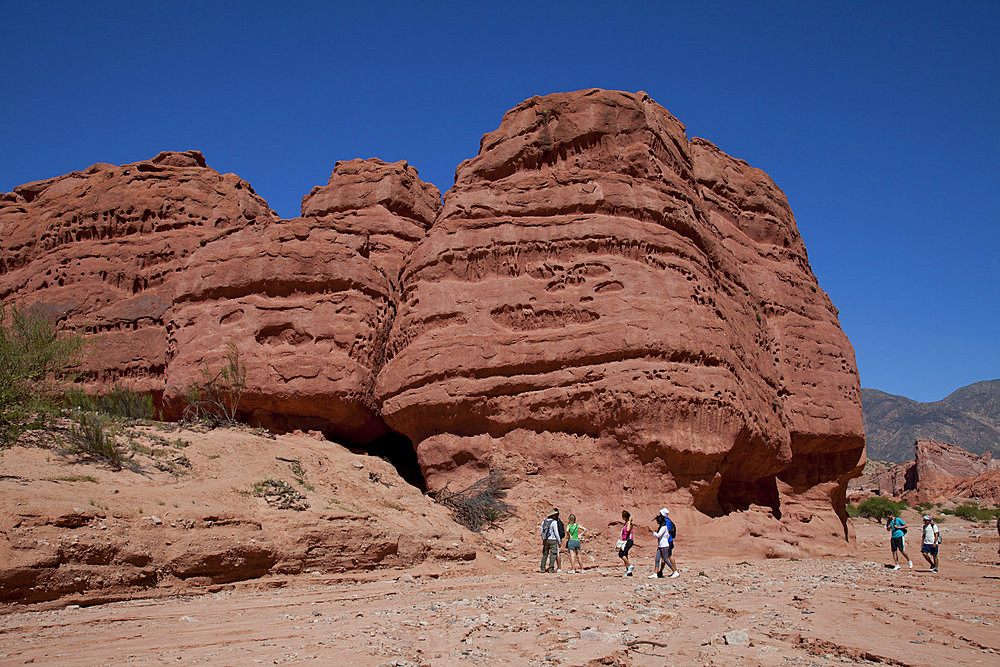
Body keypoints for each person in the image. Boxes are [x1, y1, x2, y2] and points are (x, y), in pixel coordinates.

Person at [540, 509, 561, 573]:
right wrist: (559, 541)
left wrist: (543, 538)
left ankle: (542, 568)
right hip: (553, 539)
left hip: (546, 539)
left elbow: (541, 531)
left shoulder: (544, 521)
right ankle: (551, 568)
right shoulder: (554, 522)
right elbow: (556, 532)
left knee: (545, 554)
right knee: (553, 554)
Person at [618, 510, 634, 576]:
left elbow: (628, 530)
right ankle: (628, 572)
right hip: (625, 541)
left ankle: (630, 566)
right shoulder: (626, 523)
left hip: (629, 541)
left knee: (621, 554)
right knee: (625, 555)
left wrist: (629, 521)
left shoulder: (629, 524)